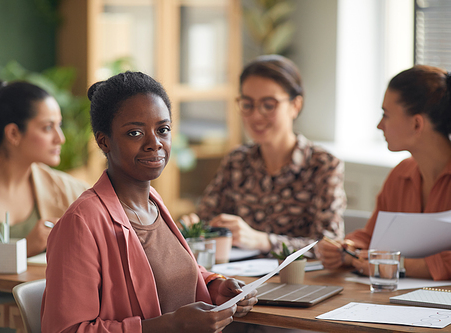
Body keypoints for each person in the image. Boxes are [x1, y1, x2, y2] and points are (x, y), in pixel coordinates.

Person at [41, 71, 258, 333]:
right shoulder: (82, 222)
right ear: (104, 141)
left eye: (162, 130)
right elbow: (65, 330)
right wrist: (172, 325)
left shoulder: (153, 202)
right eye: (134, 133)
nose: (154, 143)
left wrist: (215, 286)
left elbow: (168, 272)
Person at [0, 80, 88, 332]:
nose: (61, 137)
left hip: (41, 318)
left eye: (59, 125)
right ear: (13, 133)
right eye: (48, 128)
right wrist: (21, 250)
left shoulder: (67, 189)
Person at [182, 55, 346, 255]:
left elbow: (330, 247)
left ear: (295, 106)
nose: (256, 116)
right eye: (247, 104)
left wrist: (263, 241)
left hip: (297, 281)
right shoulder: (237, 161)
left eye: (269, 105)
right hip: (239, 280)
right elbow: (206, 220)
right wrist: (193, 227)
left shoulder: (323, 165)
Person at [316, 65, 451, 280]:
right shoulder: (401, 174)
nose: (380, 125)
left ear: (417, 124)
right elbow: (372, 237)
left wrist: (393, 264)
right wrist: (346, 248)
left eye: (386, 115)